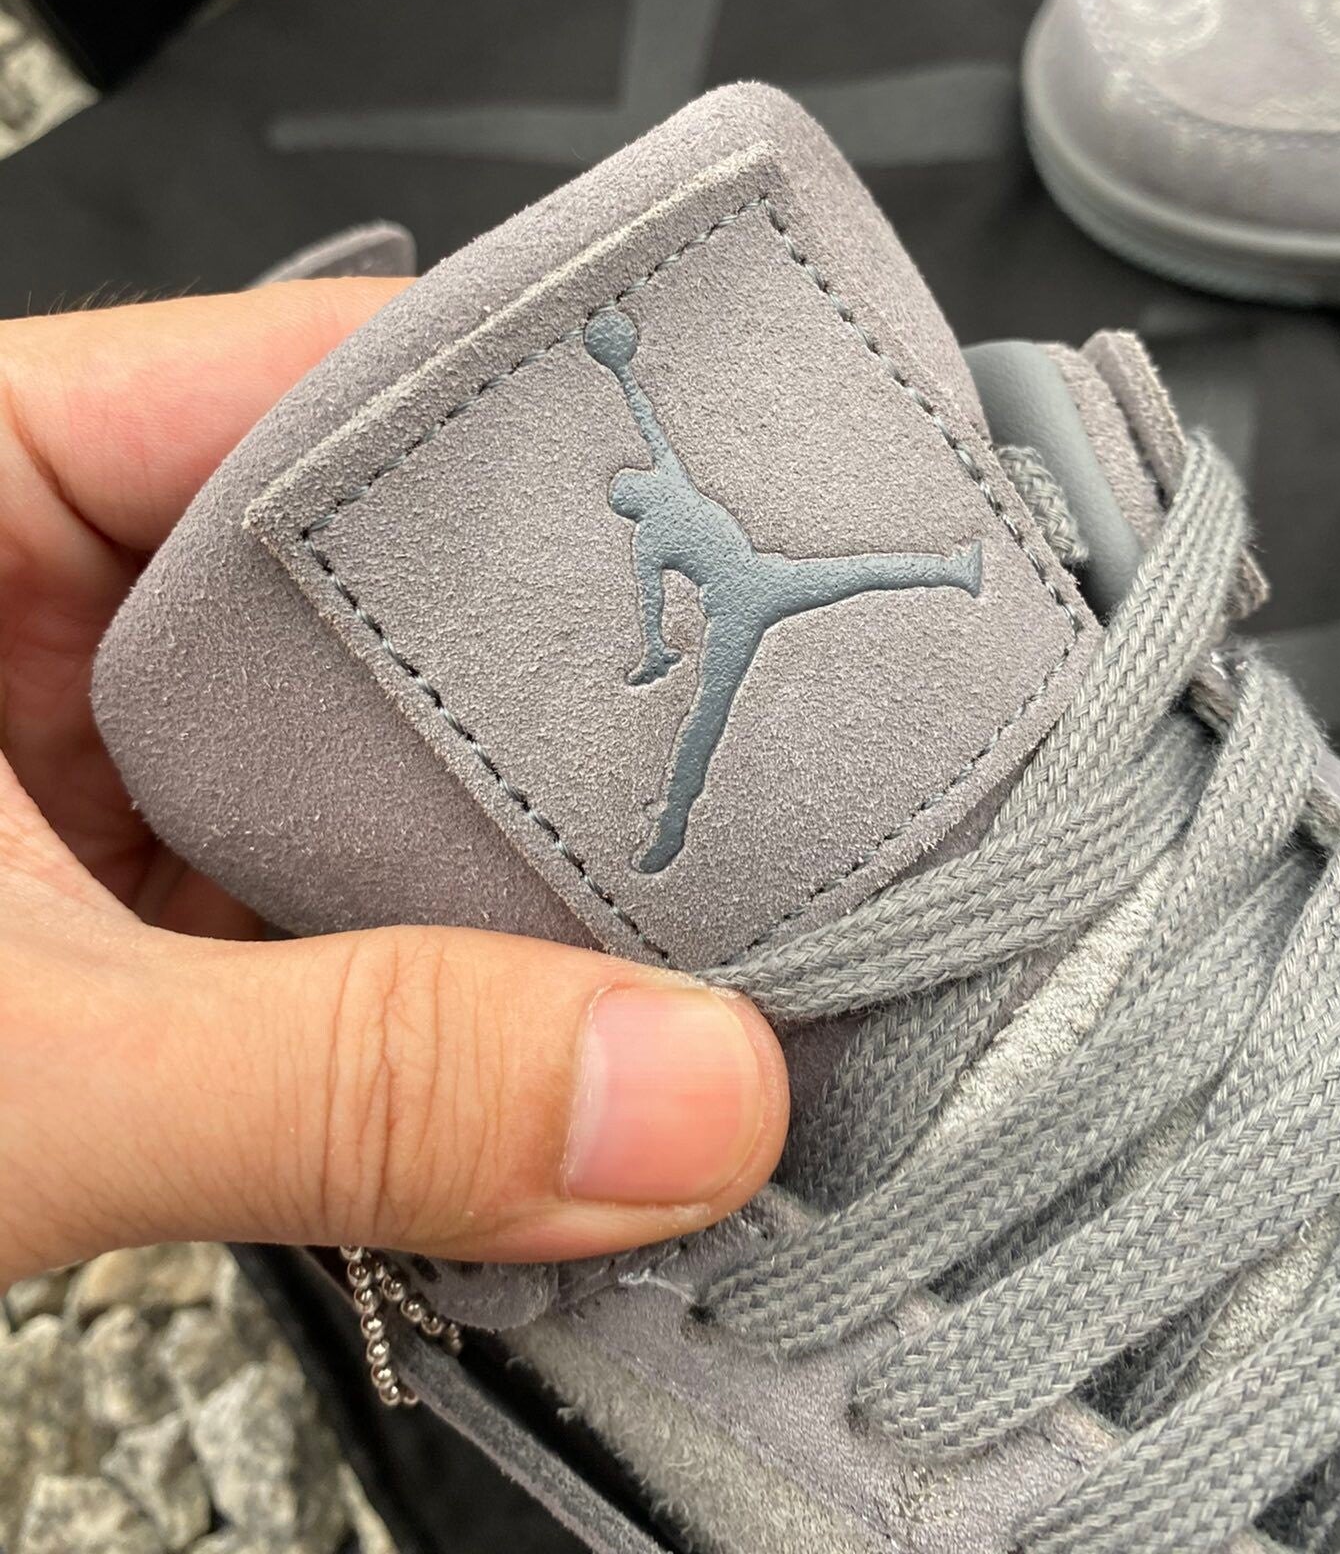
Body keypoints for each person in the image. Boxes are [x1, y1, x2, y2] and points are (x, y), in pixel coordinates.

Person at [0, 275, 788, 1288]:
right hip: (736, 614)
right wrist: (652, 653)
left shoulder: (661, 495)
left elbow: (648, 441)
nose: (631, 495)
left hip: (747, 599)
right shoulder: (652, 531)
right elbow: (646, 584)